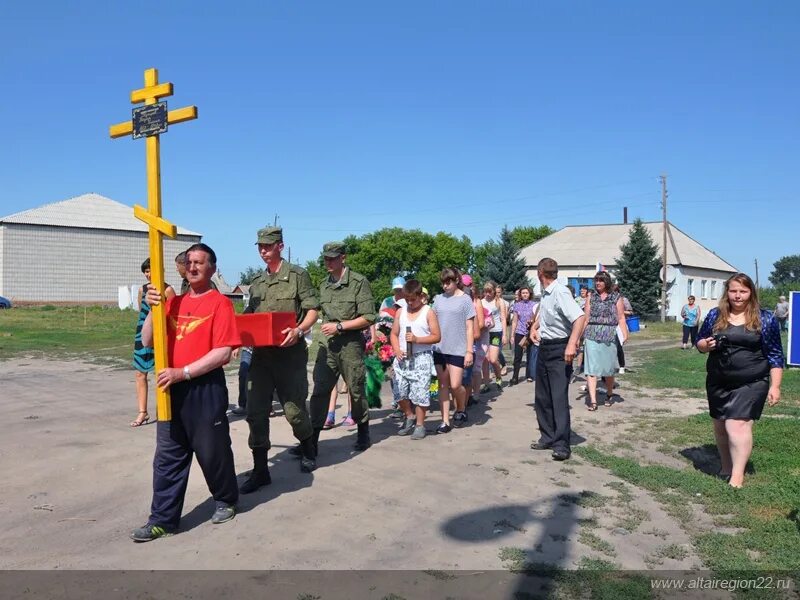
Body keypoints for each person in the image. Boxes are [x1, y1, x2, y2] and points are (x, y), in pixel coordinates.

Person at [130, 243, 240, 542]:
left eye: (200, 263)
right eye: (189, 262)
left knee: (212, 451)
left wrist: (185, 372)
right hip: (171, 390)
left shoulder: (220, 303)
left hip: (204, 388)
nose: (192, 267)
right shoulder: (173, 302)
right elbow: (147, 341)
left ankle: (226, 499)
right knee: (168, 458)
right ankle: (162, 520)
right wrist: (153, 308)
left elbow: (223, 352)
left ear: (212, 269)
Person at [240, 226, 320, 494]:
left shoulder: (298, 276)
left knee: (294, 411)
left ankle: (309, 448)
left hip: (290, 356)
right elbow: (251, 313)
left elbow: (312, 310)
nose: (263, 250)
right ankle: (261, 470)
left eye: (268, 246)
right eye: (260, 246)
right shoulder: (257, 282)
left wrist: (299, 330)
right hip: (261, 358)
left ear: (280, 247)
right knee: (255, 413)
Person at [696, 273, 784, 488]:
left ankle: (737, 477)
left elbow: (775, 354)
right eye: (733, 290)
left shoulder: (765, 318)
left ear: (751, 293)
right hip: (718, 380)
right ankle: (726, 467)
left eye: (743, 291)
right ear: (727, 292)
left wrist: (775, 385)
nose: (738, 295)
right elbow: (700, 341)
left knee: (737, 425)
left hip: (752, 381)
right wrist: (704, 346)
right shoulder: (715, 315)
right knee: (720, 426)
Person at [309, 242, 377, 453]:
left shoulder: (358, 282)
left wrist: (340, 326)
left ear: (343, 258)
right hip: (327, 345)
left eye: (332, 258)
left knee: (356, 390)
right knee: (320, 390)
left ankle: (363, 432)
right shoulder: (323, 284)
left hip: (350, 345)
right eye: (326, 258)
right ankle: (312, 440)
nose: (328, 262)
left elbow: (368, 317)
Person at [530, 258, 585, 461]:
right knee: (542, 397)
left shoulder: (560, 292)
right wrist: (534, 329)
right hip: (545, 347)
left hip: (560, 349)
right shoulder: (546, 294)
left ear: (539, 274)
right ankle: (548, 436)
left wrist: (572, 344)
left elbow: (579, 318)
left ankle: (562, 444)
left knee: (558, 397)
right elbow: (545, 316)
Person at [390, 279, 441, 440]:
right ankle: (409, 415)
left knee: (420, 393)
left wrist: (418, 340)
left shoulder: (428, 312)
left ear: (421, 296)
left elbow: (436, 336)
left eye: (413, 299)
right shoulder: (401, 312)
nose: (410, 303)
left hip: (421, 358)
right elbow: (393, 334)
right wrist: (397, 349)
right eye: (407, 300)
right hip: (402, 358)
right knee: (400, 392)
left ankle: (420, 425)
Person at [132, 258, 175, 427]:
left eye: (151, 270)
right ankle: (143, 412)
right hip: (142, 335)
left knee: (161, 374)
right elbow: (141, 313)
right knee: (139, 373)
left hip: (162, 337)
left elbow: (173, 317)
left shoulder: (168, 289)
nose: (148, 274)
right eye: (146, 271)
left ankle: (164, 409)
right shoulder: (143, 290)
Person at [432, 267, 475, 432]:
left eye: (448, 282)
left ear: (456, 281)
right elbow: (432, 320)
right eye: (443, 283)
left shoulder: (465, 300)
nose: (445, 286)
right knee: (443, 385)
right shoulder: (438, 299)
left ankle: (461, 408)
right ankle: (445, 421)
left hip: (458, 348)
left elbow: (469, 327)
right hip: (440, 349)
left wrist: (469, 350)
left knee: (456, 385)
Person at [580, 272, 628, 411]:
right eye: (596, 281)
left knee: (608, 370)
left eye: (601, 281)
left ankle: (609, 393)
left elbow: (620, 317)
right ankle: (593, 401)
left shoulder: (615, 297)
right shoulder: (591, 296)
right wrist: (579, 336)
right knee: (591, 369)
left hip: (609, 334)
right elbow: (586, 317)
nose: (598, 283)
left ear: (607, 282)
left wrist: (624, 333)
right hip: (592, 333)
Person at [510, 286, 537, 385]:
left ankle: (530, 374)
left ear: (530, 294)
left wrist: (531, 322)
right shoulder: (517, 305)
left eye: (526, 293)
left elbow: (537, 319)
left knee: (530, 355)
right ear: (520, 294)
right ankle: (515, 377)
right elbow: (514, 321)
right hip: (519, 332)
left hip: (530, 332)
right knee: (518, 356)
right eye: (523, 293)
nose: (525, 295)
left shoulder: (534, 305)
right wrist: (512, 335)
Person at [482, 282, 506, 389]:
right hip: (485, 332)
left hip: (496, 332)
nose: (487, 294)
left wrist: (505, 334)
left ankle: (498, 377)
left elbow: (503, 318)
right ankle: (486, 384)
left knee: (493, 359)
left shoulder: (499, 302)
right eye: (485, 292)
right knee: (485, 359)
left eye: (489, 292)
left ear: (494, 292)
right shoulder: (481, 302)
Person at [613, 284, 633, 374]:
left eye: (614, 292)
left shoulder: (623, 300)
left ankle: (622, 366)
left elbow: (630, 312)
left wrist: (620, 311)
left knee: (618, 346)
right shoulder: (608, 300)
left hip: (620, 326)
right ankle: (609, 365)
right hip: (610, 325)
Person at [495, 284, 510, 374]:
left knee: (497, 349)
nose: (497, 294)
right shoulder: (491, 302)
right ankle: (495, 369)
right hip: (491, 329)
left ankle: (503, 364)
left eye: (499, 292)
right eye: (496, 292)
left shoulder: (505, 303)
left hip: (500, 328)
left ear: (502, 292)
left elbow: (505, 317)